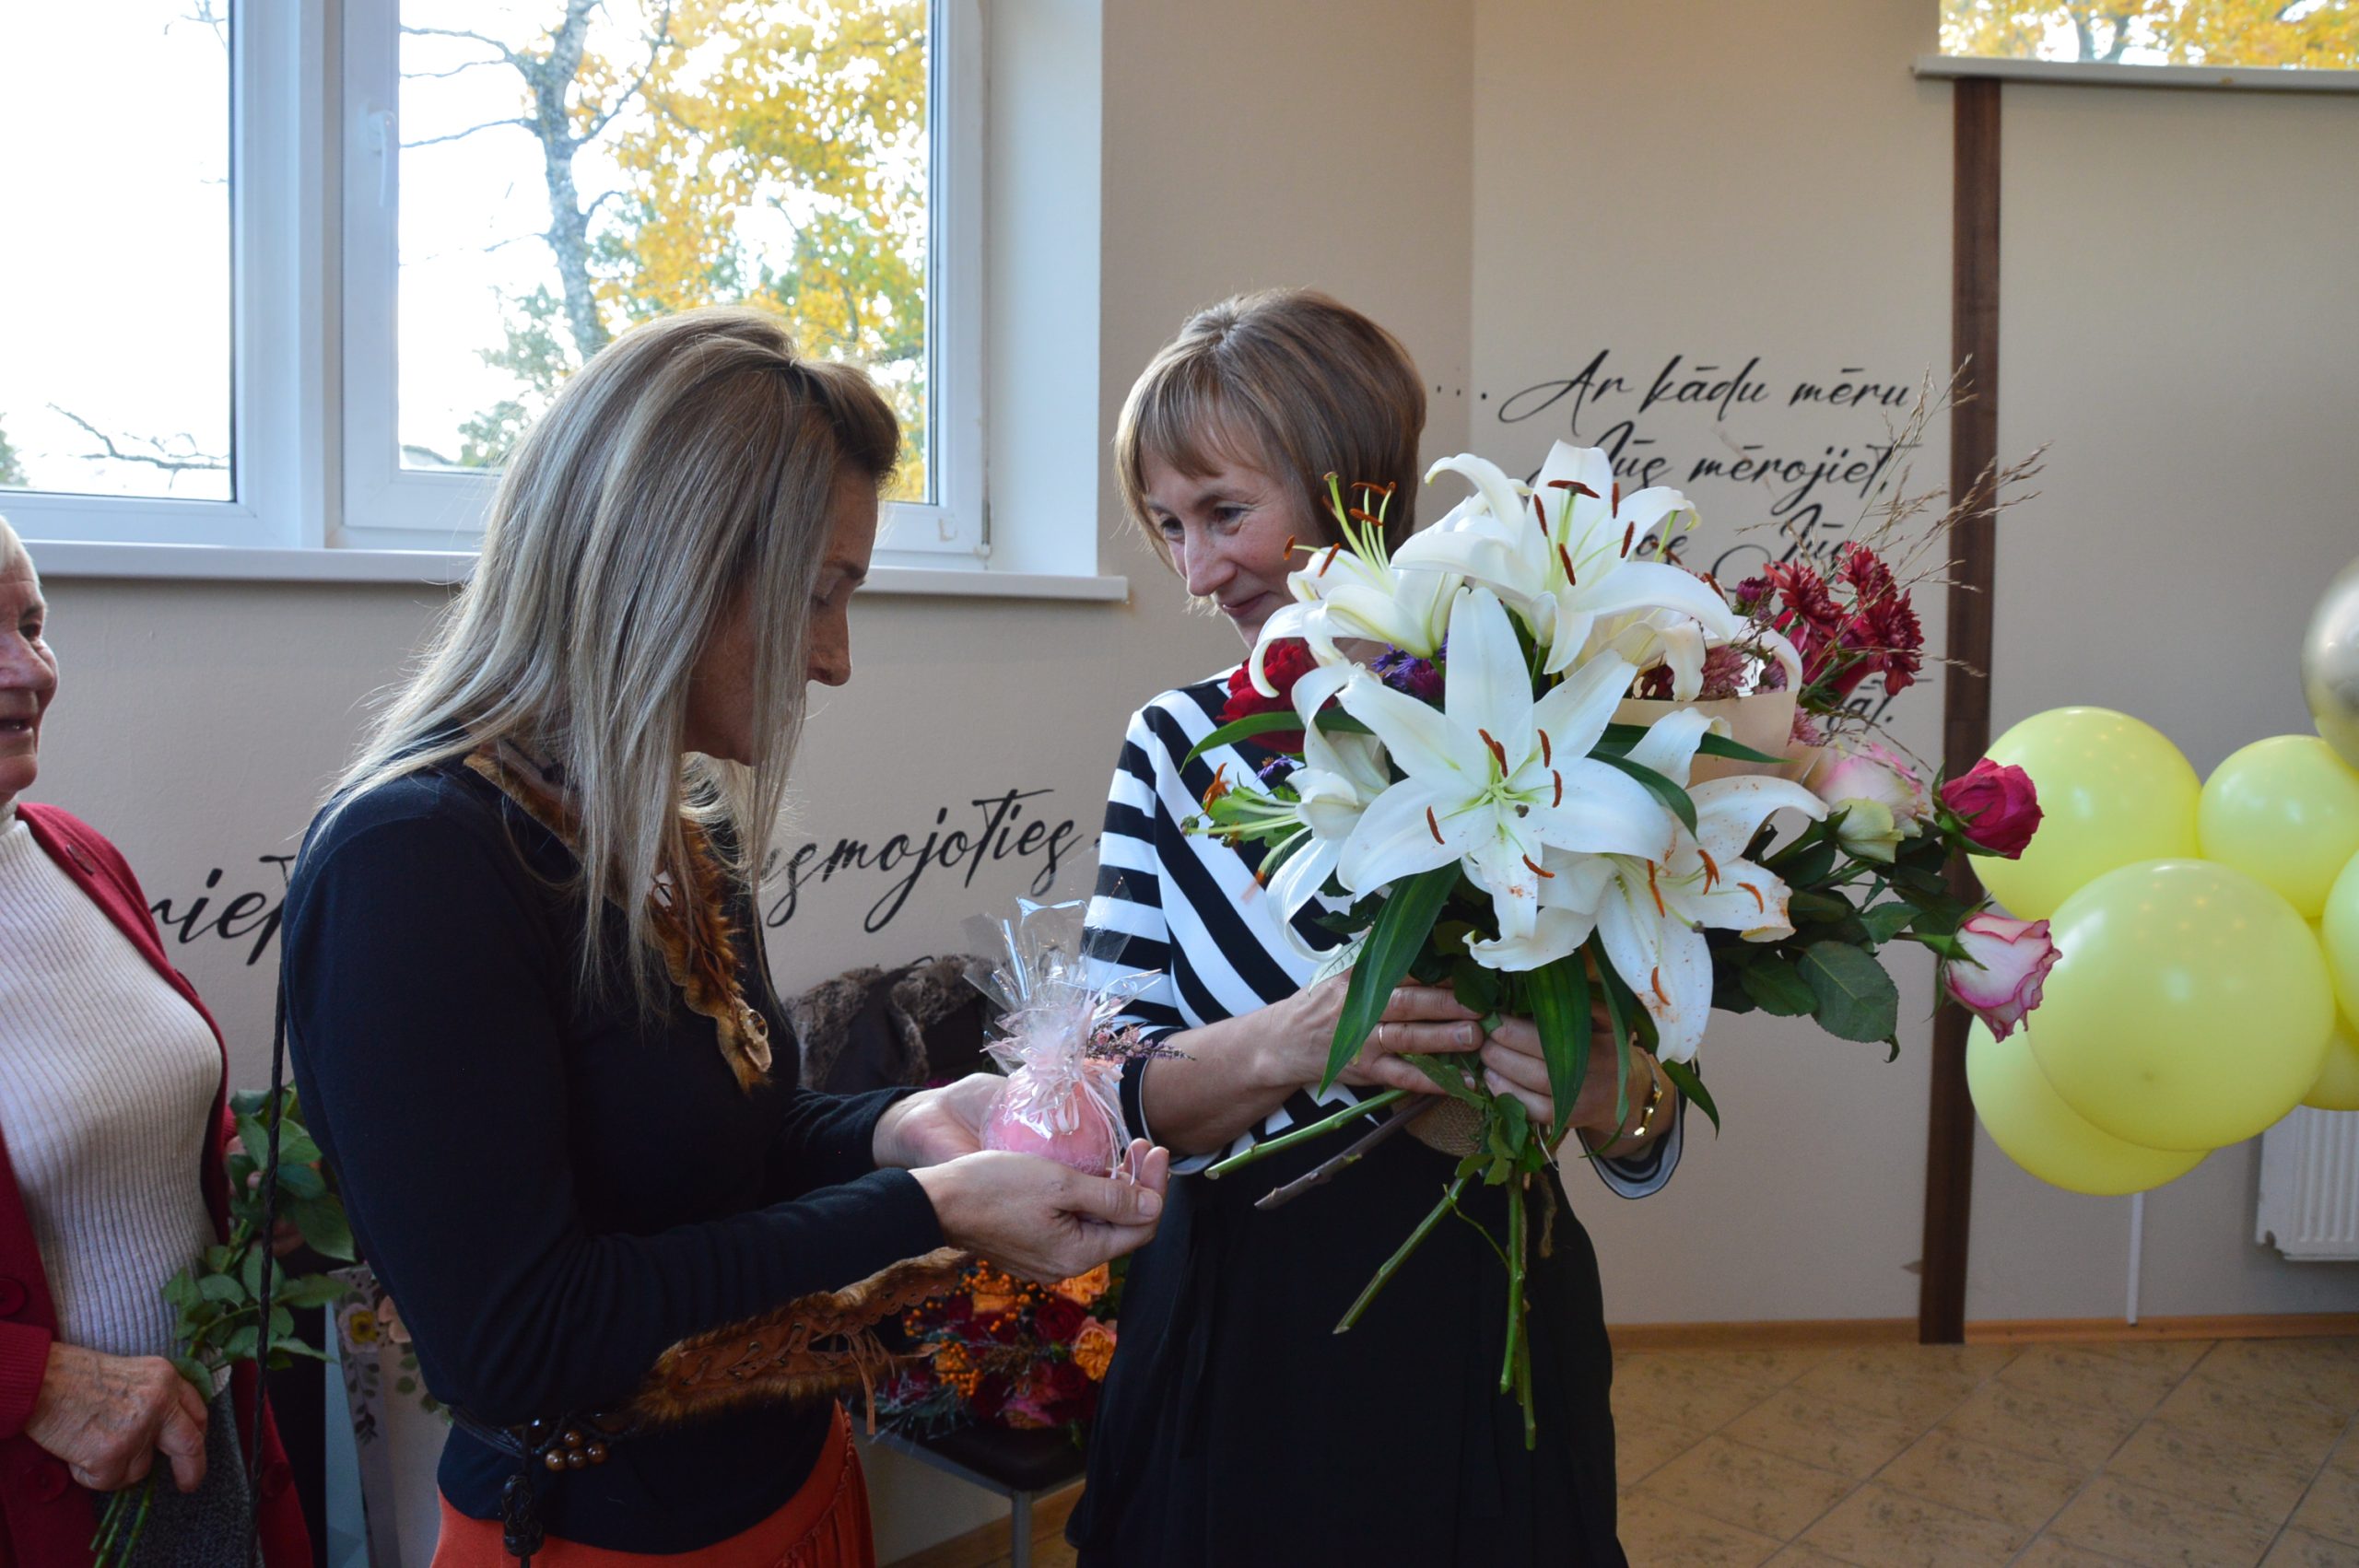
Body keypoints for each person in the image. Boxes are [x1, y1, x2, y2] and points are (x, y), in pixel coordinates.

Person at [277, 309, 1169, 1566]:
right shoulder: (414, 861)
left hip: (793, 1483)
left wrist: (899, 1127)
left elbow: (724, 1148)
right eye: (818, 597)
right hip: (602, 1536)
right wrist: (924, 1206)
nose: (835, 660)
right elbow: (518, 1340)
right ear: (669, 562)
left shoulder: (681, 820)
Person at [1069, 290, 1683, 1567]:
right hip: (1244, 1327)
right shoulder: (1176, 747)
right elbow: (1109, 1087)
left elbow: (1644, 1101)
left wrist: (1618, 1096)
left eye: (1224, 513)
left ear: (1356, 488)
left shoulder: (1541, 714)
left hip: (1485, 1310)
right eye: (1168, 525)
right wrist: (1289, 1044)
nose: (1196, 571)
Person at [0, 517, 311, 1567]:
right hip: (43, 1497)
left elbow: (141, 1119)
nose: (28, 671)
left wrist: (250, 1180)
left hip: (197, 1443)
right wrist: (33, 1383)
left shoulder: (76, 853)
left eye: (32, 624)